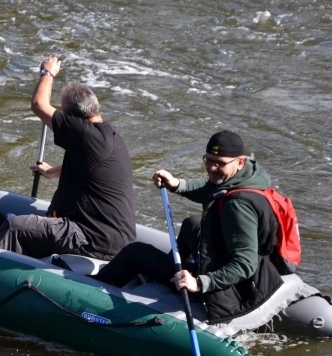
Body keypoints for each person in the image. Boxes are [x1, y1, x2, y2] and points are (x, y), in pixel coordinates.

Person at [92, 130, 285, 324]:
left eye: (220, 163)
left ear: (240, 161)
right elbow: (212, 189)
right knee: (192, 225)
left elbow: (245, 264)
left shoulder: (238, 206)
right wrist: (177, 184)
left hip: (229, 292)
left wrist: (200, 283)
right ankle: (171, 278)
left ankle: (88, 290)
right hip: (247, 275)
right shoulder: (249, 177)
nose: (212, 167)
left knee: (134, 253)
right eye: (208, 160)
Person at [0, 56, 136, 260]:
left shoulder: (83, 133)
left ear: (72, 118)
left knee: (15, 226)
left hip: (93, 239)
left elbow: (39, 104)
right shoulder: (108, 136)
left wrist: (48, 73)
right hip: (111, 239)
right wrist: (51, 171)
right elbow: (87, 168)